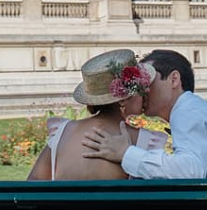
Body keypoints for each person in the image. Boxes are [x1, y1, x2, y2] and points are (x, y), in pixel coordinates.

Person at [83, 49, 207, 179]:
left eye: (149, 81)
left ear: (174, 79)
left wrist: (126, 153)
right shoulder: (195, 110)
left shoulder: (187, 112)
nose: (142, 90)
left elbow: (189, 171)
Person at [27, 49, 168, 181]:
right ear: (123, 99)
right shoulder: (146, 140)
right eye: (140, 89)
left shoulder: (62, 132)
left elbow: (33, 184)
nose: (145, 94)